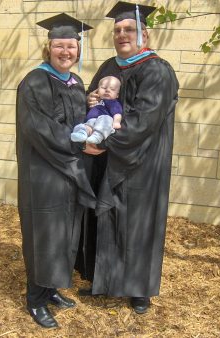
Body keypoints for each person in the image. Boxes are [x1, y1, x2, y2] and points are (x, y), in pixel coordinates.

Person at [78, 1, 179, 315]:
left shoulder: (158, 70)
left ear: (144, 35)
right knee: (106, 218)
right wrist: (89, 100)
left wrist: (104, 142)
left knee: (136, 224)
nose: (122, 35)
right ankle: (103, 281)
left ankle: (138, 290)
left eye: (129, 29)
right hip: (107, 158)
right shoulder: (110, 66)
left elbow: (144, 121)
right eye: (118, 30)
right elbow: (93, 104)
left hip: (143, 163)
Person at [15, 13, 94, 328]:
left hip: (69, 171)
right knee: (44, 236)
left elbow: (82, 121)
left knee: (64, 234)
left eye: (71, 46)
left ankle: (50, 290)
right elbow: (40, 130)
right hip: (44, 173)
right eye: (59, 46)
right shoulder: (35, 81)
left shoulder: (76, 83)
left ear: (78, 49)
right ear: (48, 49)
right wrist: (80, 146)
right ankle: (35, 299)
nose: (66, 52)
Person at [70, 76, 123, 144]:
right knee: (85, 126)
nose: (107, 90)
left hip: (104, 121)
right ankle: (81, 134)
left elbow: (117, 113)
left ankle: (97, 136)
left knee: (105, 120)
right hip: (91, 120)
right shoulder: (96, 100)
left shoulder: (113, 102)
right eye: (103, 88)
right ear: (97, 90)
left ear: (117, 95)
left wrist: (116, 122)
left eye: (112, 89)